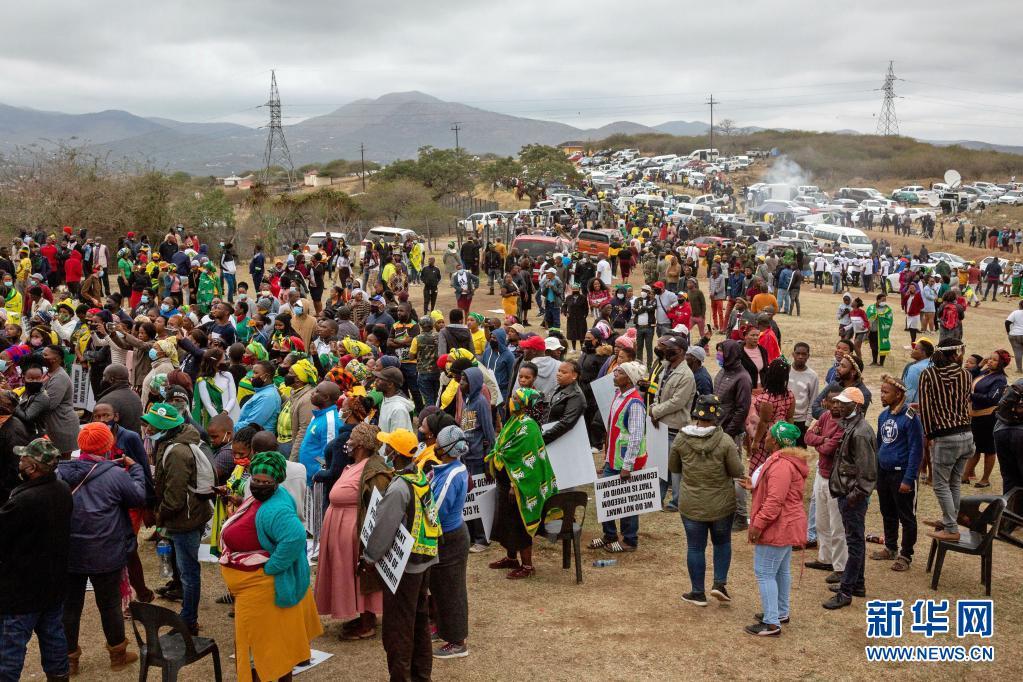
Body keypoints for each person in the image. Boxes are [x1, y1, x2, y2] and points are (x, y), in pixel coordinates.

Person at [218, 450, 323, 682]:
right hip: (255, 591)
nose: (259, 484)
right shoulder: (264, 499)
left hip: (263, 588)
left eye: (266, 482)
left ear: (276, 482)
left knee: (266, 649)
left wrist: (271, 568)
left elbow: (295, 538)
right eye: (256, 480)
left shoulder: (275, 509)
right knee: (273, 647)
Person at [58, 423, 146, 674]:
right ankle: (118, 653)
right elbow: (138, 497)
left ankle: (69, 660)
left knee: (69, 607)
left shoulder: (60, 472)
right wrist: (136, 469)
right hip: (105, 549)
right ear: (108, 445)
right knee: (109, 604)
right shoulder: (115, 474)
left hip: (70, 549)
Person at [363, 430, 441, 682]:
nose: (384, 450)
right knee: (418, 621)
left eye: (388, 447)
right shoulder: (418, 476)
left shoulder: (398, 488)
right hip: (424, 559)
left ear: (395, 453)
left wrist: (369, 557)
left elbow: (383, 529)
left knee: (398, 628)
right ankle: (421, 676)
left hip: (405, 569)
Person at [0, 438, 72, 682]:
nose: (19, 461)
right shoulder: (62, 489)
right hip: (53, 581)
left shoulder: (23, 501)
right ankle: (60, 676)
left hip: (22, 589)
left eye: (23, 458)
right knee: (53, 637)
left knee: (10, 648)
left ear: (32, 468)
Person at [145, 402, 212, 634]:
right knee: (186, 569)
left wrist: (160, 515)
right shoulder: (172, 444)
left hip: (184, 519)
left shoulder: (177, 452)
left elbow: (174, 497)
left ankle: (188, 620)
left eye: (153, 427)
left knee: (188, 572)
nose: (148, 431)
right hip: (186, 514)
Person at [672, 395, 743, 607]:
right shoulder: (725, 441)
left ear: (696, 414)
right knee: (722, 543)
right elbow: (737, 471)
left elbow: (674, 468)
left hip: (692, 503)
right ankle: (719, 584)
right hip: (721, 504)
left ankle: (697, 592)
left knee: (695, 548)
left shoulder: (681, 439)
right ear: (717, 416)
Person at [486, 388, 558, 578]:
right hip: (505, 482)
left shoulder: (529, 426)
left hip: (519, 485)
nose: (512, 400)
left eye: (516, 398)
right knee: (506, 523)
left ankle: (527, 566)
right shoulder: (513, 420)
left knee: (519, 524)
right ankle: (511, 558)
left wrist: (515, 484)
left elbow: (527, 461)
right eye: (513, 397)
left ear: (526, 403)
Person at [745, 422, 808, 636]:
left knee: (764, 572)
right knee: (781, 570)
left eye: (770, 435)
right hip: (788, 523)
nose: (766, 438)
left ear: (777, 441)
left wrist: (757, 525)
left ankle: (771, 623)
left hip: (779, 526)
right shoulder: (786, 461)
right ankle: (780, 611)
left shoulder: (781, 465)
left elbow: (774, 501)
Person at [823, 388, 877, 610]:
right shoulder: (851, 426)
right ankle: (857, 584)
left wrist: (854, 496)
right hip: (848, 493)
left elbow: (868, 473)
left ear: (855, 406)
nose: (838, 406)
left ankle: (846, 591)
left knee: (854, 542)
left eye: (843, 403)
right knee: (855, 540)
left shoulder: (861, 432)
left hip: (852, 496)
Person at [917, 340, 973, 542]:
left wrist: (930, 435)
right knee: (954, 482)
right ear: (955, 354)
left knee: (940, 484)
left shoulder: (929, 374)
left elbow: (925, 408)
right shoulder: (966, 374)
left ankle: (950, 527)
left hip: (944, 435)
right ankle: (949, 521)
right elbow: (966, 401)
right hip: (966, 434)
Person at [590, 361, 648, 553]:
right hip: (613, 458)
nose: (614, 374)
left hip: (625, 462)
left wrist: (628, 465)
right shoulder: (618, 395)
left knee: (627, 502)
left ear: (629, 378)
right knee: (606, 497)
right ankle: (610, 534)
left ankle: (630, 539)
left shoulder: (635, 403)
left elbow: (636, 436)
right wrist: (608, 457)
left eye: (619, 372)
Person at [428, 425, 471, 659]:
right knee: (440, 587)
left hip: (450, 538)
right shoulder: (448, 469)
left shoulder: (452, 474)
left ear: (445, 449)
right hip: (447, 535)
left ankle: (458, 641)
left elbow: (437, 511)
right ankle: (445, 630)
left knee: (452, 589)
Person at [872, 374, 922, 572]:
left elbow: (916, 450)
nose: (882, 395)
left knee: (906, 515)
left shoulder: (910, 418)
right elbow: (879, 445)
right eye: (882, 391)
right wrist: (877, 473)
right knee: (887, 512)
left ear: (898, 394)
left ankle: (906, 554)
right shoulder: (883, 416)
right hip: (884, 473)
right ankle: (890, 547)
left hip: (902, 475)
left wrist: (909, 478)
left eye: (886, 392)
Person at [649, 335, 696, 511]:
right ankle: (657, 499)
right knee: (660, 465)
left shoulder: (686, 375)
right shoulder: (666, 367)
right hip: (661, 424)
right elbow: (658, 392)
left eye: (671, 349)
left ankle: (676, 501)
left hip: (675, 426)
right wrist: (654, 406)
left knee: (675, 468)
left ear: (681, 352)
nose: (666, 351)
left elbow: (678, 402)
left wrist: (655, 411)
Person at [715, 340, 753, 531]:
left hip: (732, 434)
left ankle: (741, 515)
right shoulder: (723, 372)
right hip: (717, 431)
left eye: (722, 352)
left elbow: (742, 409)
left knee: (736, 474)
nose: (719, 356)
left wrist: (728, 433)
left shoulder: (742, 378)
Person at [963, 350, 1010, 489]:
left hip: (988, 417)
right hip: (976, 415)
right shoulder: (985, 372)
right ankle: (965, 475)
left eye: (994, 360)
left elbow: (992, 398)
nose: (990, 361)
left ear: (1001, 363)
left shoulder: (1000, 379)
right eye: (990, 358)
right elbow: (968, 377)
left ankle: (985, 478)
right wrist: (979, 365)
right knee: (975, 447)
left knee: (989, 449)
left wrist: (972, 396)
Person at [745, 358, 795, 474]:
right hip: (782, 434)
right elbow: (790, 417)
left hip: (767, 437)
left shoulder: (767, 398)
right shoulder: (790, 395)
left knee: (761, 467)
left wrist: (756, 441)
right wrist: (790, 437)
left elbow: (764, 422)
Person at [865, 293, 893, 367]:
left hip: (882, 332)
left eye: (885, 300)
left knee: (882, 346)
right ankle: (874, 361)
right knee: (873, 347)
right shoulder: (871, 308)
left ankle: (881, 363)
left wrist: (879, 318)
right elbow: (867, 317)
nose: (884, 301)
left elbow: (889, 320)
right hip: (872, 330)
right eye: (883, 300)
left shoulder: (887, 309)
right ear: (878, 300)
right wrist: (874, 317)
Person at [1005, 300, 1023, 373]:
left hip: (1014, 334)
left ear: (1020, 305)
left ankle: (1019, 369)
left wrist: (1009, 332)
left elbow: (1007, 322)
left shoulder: (1015, 312)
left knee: (1017, 352)